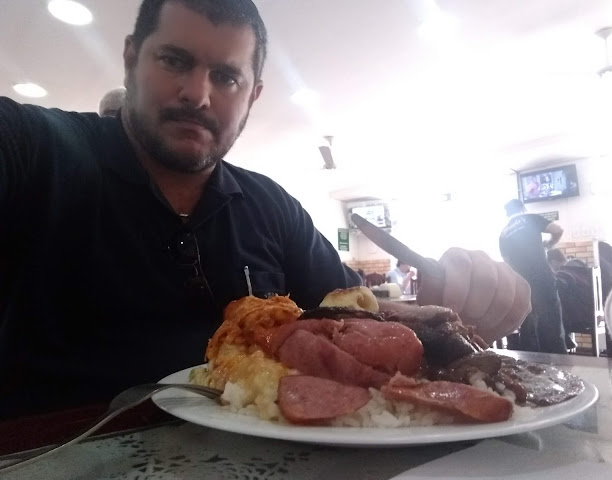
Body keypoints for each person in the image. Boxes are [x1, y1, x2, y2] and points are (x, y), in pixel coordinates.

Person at [0, 0, 530, 419]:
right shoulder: (41, 149)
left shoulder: (273, 207)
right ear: (131, 59)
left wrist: (446, 305)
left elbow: (352, 311)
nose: (197, 94)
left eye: (226, 77)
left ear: (252, 95)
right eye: (174, 60)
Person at [499, 199, 567, 353]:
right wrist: (549, 244)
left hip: (522, 285)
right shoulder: (530, 218)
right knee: (552, 324)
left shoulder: (503, 234)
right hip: (543, 278)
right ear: (522, 208)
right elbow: (557, 230)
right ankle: (559, 363)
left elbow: (507, 263)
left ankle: (533, 363)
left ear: (507, 214)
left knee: (528, 326)